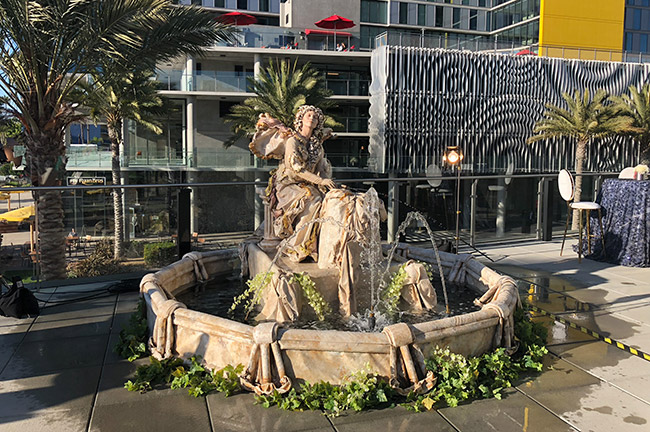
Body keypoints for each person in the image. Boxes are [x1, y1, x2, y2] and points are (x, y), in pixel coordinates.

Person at [250, 105, 335, 262]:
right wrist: (320, 180)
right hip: (287, 184)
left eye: (315, 117)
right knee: (312, 199)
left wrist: (328, 185)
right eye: (308, 115)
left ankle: (313, 245)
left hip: (308, 184)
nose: (312, 118)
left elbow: (321, 168)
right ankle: (296, 246)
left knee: (327, 199)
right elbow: (296, 169)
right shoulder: (292, 141)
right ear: (300, 119)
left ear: (318, 124)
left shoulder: (317, 145)